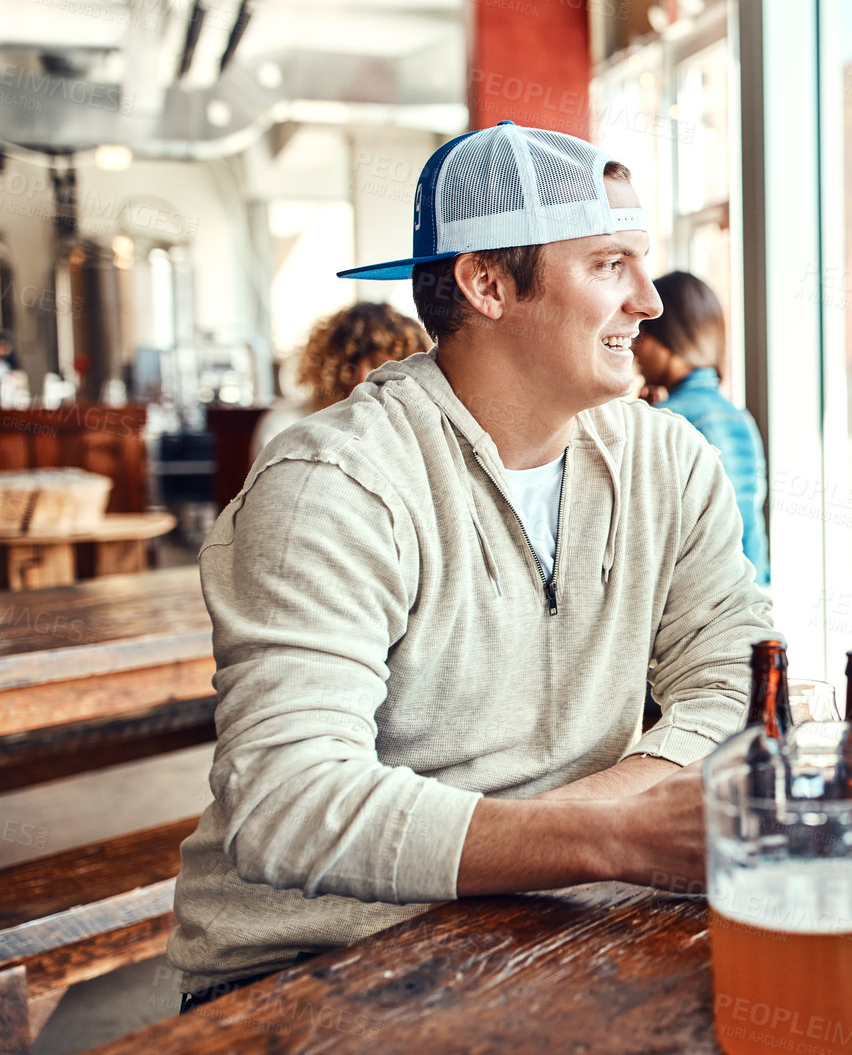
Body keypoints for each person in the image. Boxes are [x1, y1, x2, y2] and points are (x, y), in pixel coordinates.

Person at [168, 121, 773, 1006]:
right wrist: (619, 839)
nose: (648, 299)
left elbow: (740, 685)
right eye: (609, 264)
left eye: (643, 262)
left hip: (551, 924)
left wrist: (580, 838)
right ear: (487, 284)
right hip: (308, 973)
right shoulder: (334, 483)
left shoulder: (669, 460)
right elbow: (290, 805)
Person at [635, 271, 769, 584]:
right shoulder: (740, 417)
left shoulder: (665, 422)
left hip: (704, 604)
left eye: (642, 336)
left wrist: (641, 417)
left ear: (668, 339)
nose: (633, 350)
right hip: (752, 592)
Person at [251, 302, 431, 459]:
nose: (388, 379)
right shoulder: (284, 425)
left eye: (401, 368)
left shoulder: (412, 433)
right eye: (376, 364)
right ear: (341, 364)